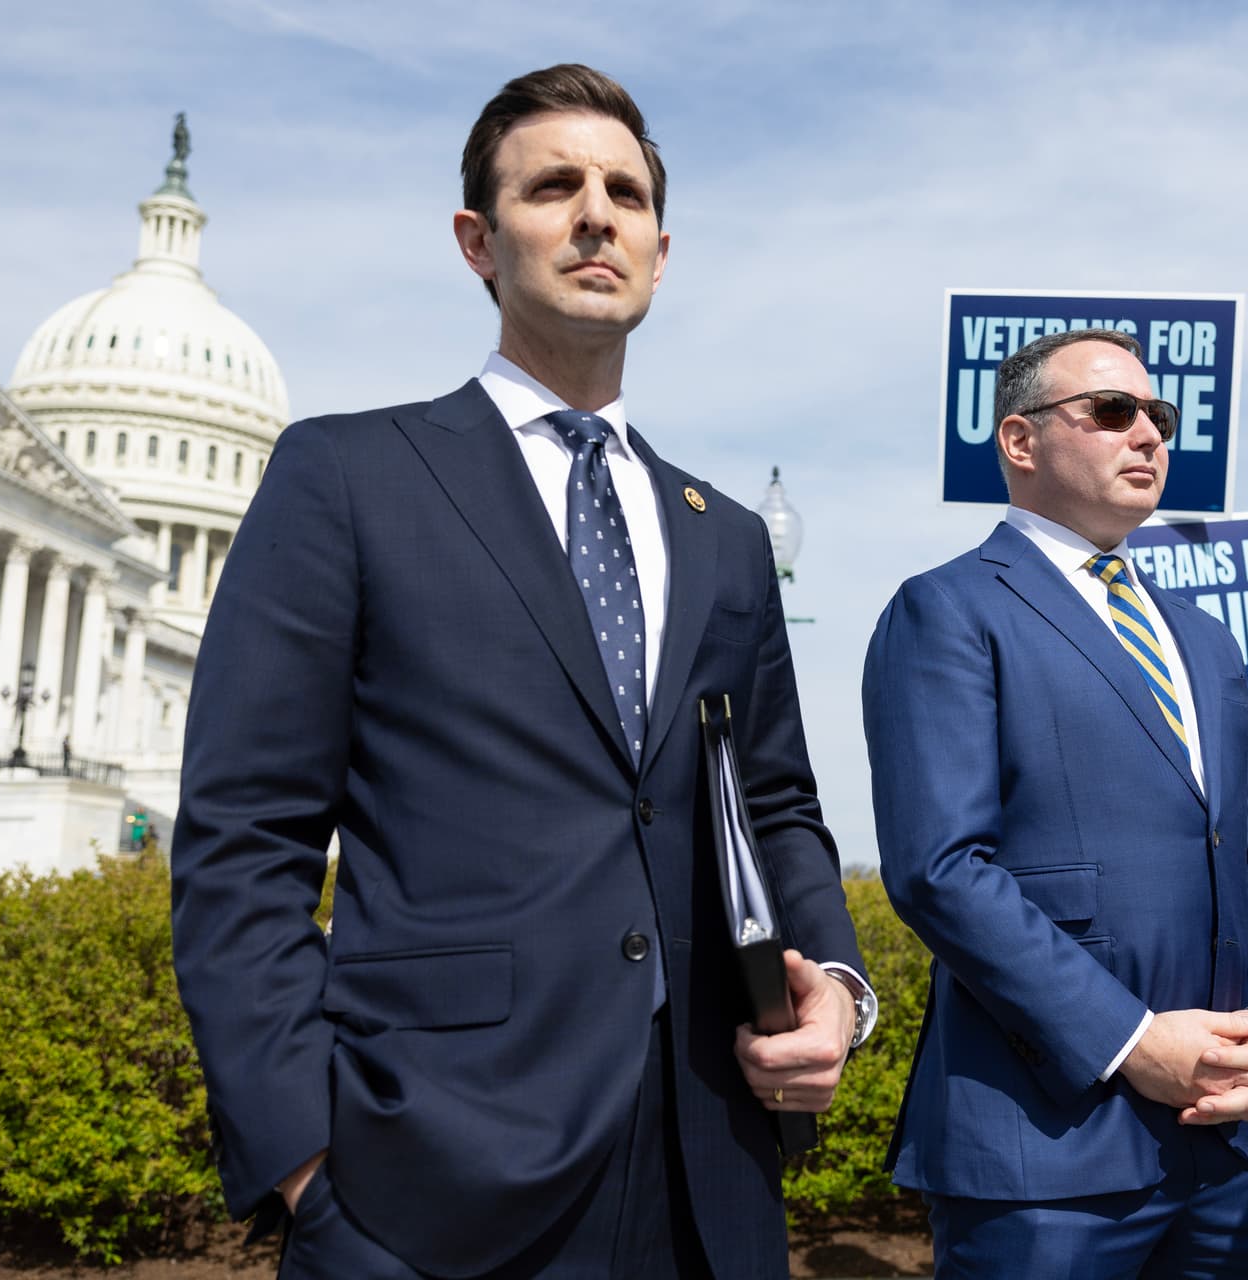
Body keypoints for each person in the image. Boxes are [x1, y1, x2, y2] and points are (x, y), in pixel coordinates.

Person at [170, 65, 875, 1280]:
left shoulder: (725, 535)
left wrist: (840, 989)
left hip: (710, 1172)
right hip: (425, 1180)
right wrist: (308, 1165)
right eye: (555, 186)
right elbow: (244, 836)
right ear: (477, 240)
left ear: (661, 246)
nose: (597, 213)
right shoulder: (348, 477)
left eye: (627, 191)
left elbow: (773, 802)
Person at [863, 329, 1248, 1278]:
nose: (1147, 433)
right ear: (1021, 442)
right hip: (1047, 1152)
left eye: (1160, 416)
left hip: (1241, 1136)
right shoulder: (946, 609)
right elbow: (940, 870)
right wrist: (1133, 1041)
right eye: (1113, 411)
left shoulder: (1203, 639)